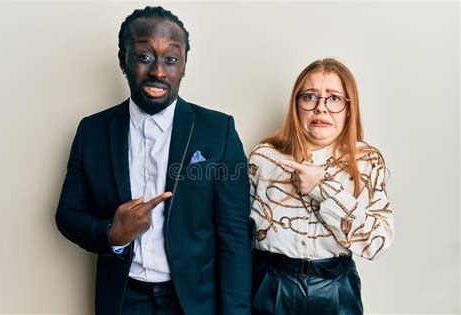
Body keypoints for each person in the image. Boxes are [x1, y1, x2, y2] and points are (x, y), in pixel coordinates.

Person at [56, 6, 251, 315]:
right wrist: (112, 235)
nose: (159, 72)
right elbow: (68, 214)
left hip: (195, 302)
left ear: (184, 66)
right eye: (145, 57)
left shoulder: (218, 131)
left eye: (171, 59)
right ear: (124, 60)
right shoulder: (92, 131)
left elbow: (235, 235)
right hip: (122, 299)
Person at [248, 58, 394, 314]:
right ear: (296, 105)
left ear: (350, 108)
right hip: (271, 285)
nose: (321, 109)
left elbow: (375, 244)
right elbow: (237, 233)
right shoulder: (264, 157)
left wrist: (324, 188)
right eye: (310, 97)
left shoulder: (367, 161)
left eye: (335, 98)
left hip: (336, 288)